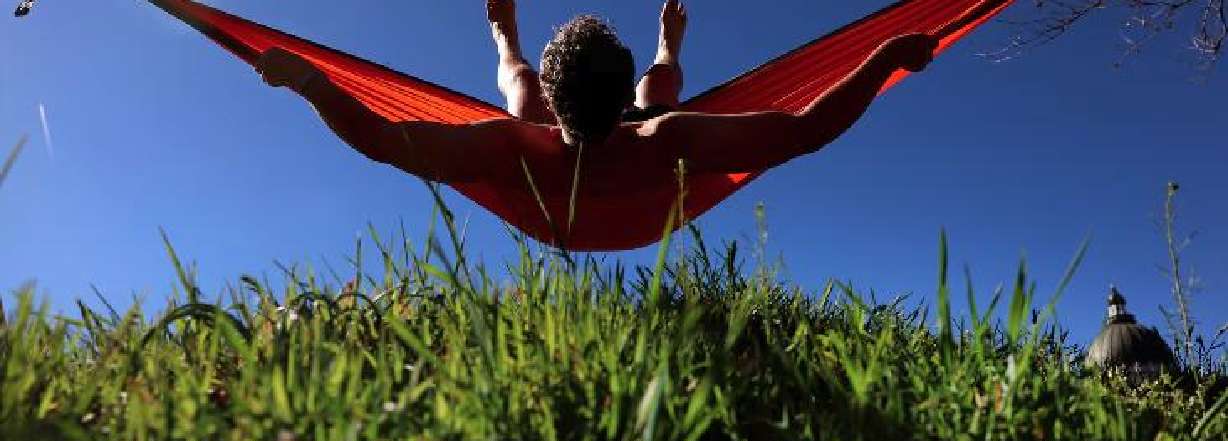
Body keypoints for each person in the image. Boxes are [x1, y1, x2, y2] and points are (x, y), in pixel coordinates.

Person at [255, 1, 937, 198]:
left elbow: (384, 141)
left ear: (558, 98)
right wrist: (882, 59)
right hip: (639, 167)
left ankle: (505, 40)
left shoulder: (514, 141)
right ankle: (669, 41)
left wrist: (312, 83)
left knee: (513, 89)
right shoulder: (665, 135)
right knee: (663, 90)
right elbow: (804, 130)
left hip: (550, 177)